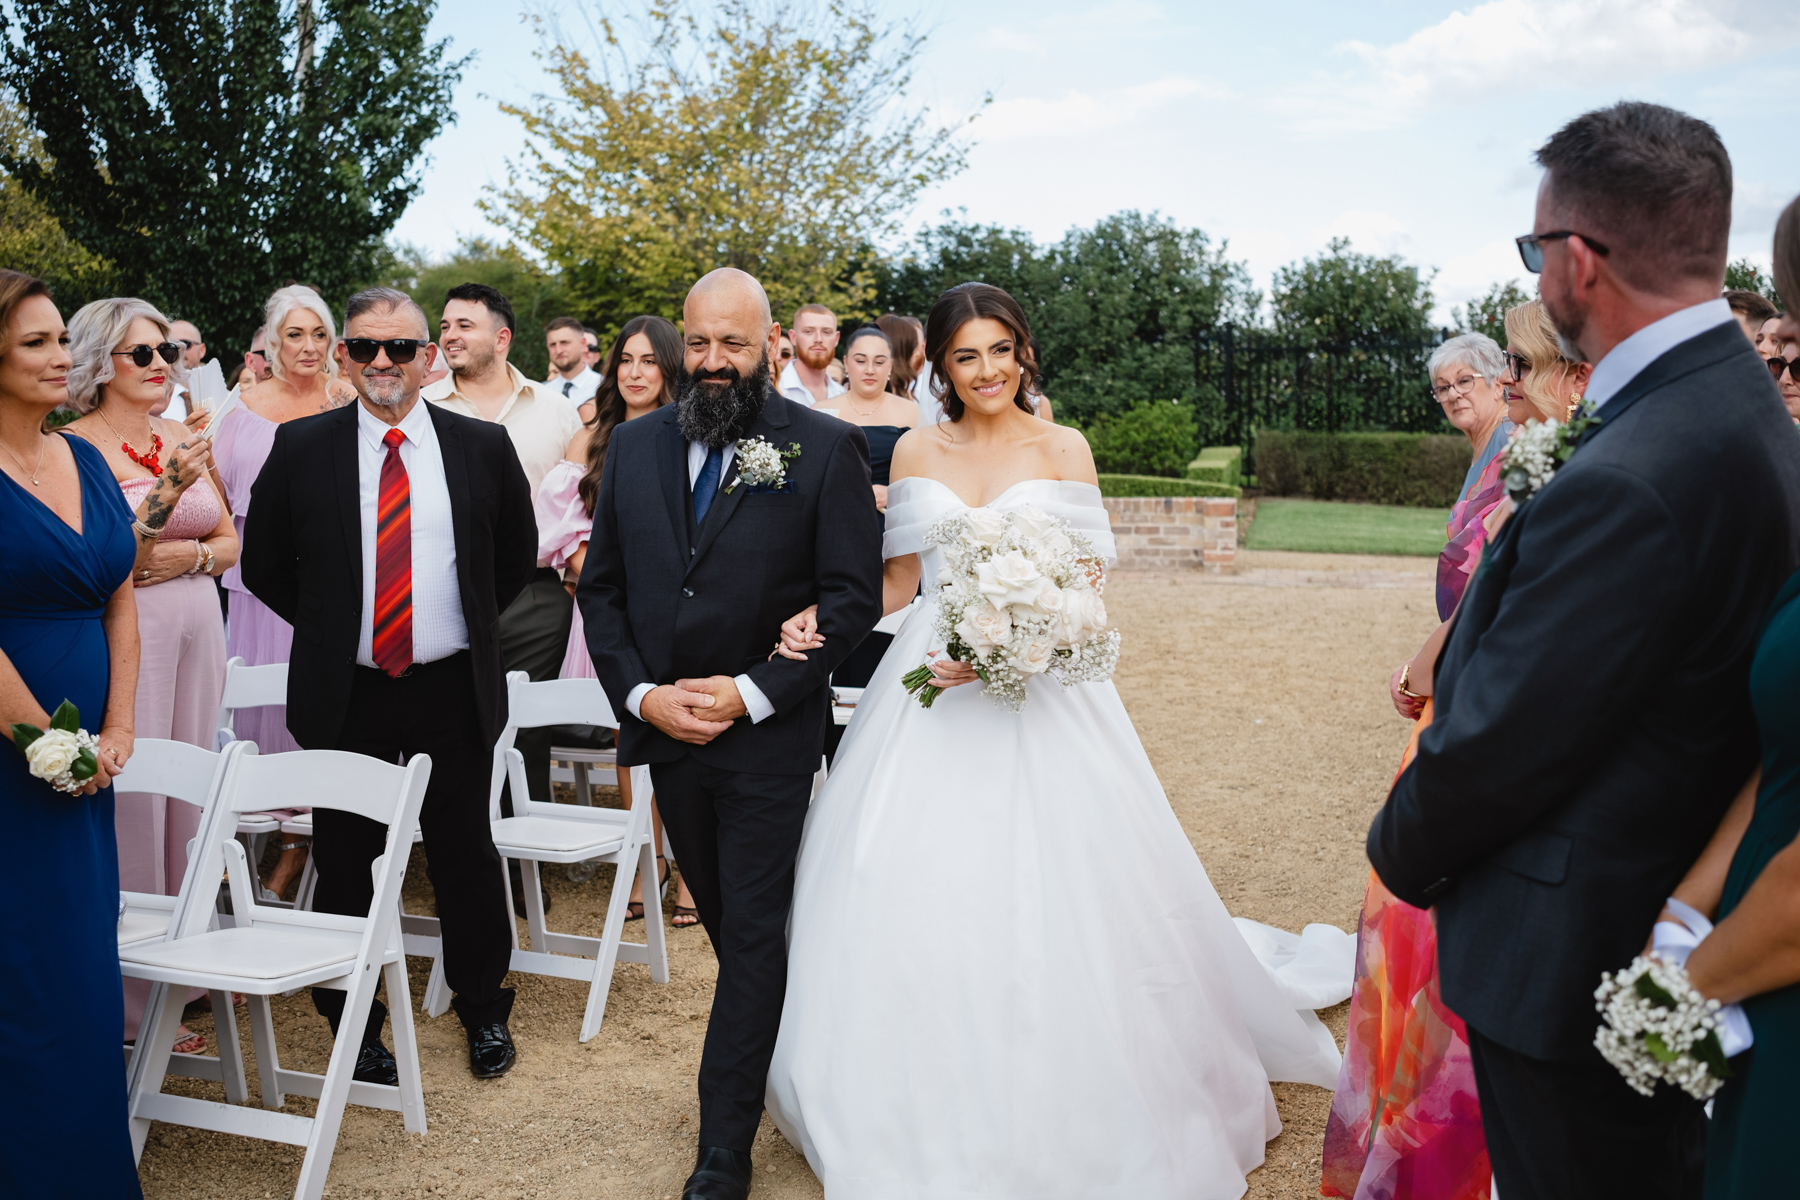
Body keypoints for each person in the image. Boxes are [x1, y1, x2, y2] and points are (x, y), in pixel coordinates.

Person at [763, 281, 1347, 1197]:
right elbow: (902, 581)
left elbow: (1084, 586)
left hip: (1045, 687)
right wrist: (820, 620)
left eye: (1001, 350)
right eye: (966, 356)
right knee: (897, 875)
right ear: (939, 368)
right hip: (928, 687)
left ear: (1023, 352)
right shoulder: (916, 447)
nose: (987, 370)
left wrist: (1021, 641)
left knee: (1074, 883)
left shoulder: (1063, 446)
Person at [1367, 102, 1800, 1200]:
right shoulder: (1732, 406)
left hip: (1576, 950)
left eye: (1535, 248)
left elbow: (1510, 734)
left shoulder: (1642, 462)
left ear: (1579, 260)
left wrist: (1399, 848)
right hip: (1666, 910)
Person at [576, 268, 883, 1200]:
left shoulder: (823, 448)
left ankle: (723, 1148)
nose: (713, 361)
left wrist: (751, 694)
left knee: (749, 936)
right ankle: (802, 1060)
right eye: (700, 343)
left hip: (765, 740)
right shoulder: (635, 447)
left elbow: (851, 598)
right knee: (734, 930)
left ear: (771, 346)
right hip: (668, 737)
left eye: (733, 344)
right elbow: (604, 592)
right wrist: (643, 698)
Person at [241, 286, 538, 1084]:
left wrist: (450, 622)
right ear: (344, 355)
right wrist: (337, 626)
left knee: (465, 854)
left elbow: (513, 557)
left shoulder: (482, 448)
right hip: (350, 690)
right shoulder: (302, 447)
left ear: (427, 358)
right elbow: (264, 563)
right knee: (345, 860)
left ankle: (483, 1008)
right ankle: (355, 1023)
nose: (383, 361)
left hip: (451, 686)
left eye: (400, 347)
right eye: (366, 346)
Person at [1326, 331, 1518, 1200]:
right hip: (1456, 668)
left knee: (1416, 887)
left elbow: (1484, 589)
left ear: (1505, 378)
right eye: (1440, 387)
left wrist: (1420, 667)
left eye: (1463, 380)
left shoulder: (1518, 456)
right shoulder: (1487, 453)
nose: (1451, 396)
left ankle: (1433, 1109)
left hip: (1467, 675)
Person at [0, 270, 142, 1198]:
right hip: (16, 769)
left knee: (83, 967)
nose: (63, 357)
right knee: (23, 971)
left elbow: (119, 598)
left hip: (92, 767)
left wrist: (117, 726)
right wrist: (47, 747)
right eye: (36, 343)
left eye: (62, 338)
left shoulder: (84, 459)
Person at [63, 297, 236, 1051]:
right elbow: (109, 565)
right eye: (143, 353)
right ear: (100, 364)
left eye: (168, 350)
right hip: (131, 630)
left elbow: (229, 541)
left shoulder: (179, 435)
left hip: (201, 621)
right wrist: (160, 517)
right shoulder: (75, 449)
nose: (162, 364)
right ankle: (131, 1002)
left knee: (191, 786)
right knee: (138, 792)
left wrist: (186, 558)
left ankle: (188, 971)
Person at [535, 314, 699, 926]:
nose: (635, 372)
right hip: (604, 605)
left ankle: (690, 864)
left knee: (683, 725)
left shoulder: (692, 434)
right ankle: (643, 860)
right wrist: (598, 574)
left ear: (670, 368)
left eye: (649, 361)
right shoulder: (590, 438)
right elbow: (559, 529)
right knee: (625, 732)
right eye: (626, 360)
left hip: (677, 606)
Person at [203, 285, 356, 900]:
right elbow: (213, 495)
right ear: (271, 340)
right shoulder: (236, 410)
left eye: (320, 334)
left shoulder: (347, 400)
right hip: (254, 583)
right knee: (260, 705)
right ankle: (255, 837)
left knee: (320, 704)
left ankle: (304, 847)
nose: (308, 346)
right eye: (295, 334)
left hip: (330, 578)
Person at [425, 283, 583, 835]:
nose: (449, 336)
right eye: (445, 326)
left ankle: (522, 849)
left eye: (464, 325)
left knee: (527, 725)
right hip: (443, 588)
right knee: (453, 717)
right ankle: (459, 841)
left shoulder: (557, 411)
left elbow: (579, 502)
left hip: (534, 593)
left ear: (501, 337)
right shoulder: (421, 408)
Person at [813, 325, 919, 760]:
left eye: (879, 361)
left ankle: (888, 744)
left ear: (891, 366)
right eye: (860, 360)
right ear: (846, 363)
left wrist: (892, 495)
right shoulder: (822, 412)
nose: (870, 369)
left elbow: (928, 481)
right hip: (838, 536)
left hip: (894, 535)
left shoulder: (912, 415)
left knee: (890, 643)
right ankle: (835, 746)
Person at [777, 303, 846, 408]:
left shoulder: (841, 394)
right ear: (793, 337)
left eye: (826, 332)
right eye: (808, 331)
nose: (818, 339)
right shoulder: (775, 389)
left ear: (836, 339)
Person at [545, 316, 600, 403]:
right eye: (553, 344)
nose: (558, 350)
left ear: (583, 344)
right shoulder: (543, 393)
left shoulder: (604, 387)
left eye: (564, 342)